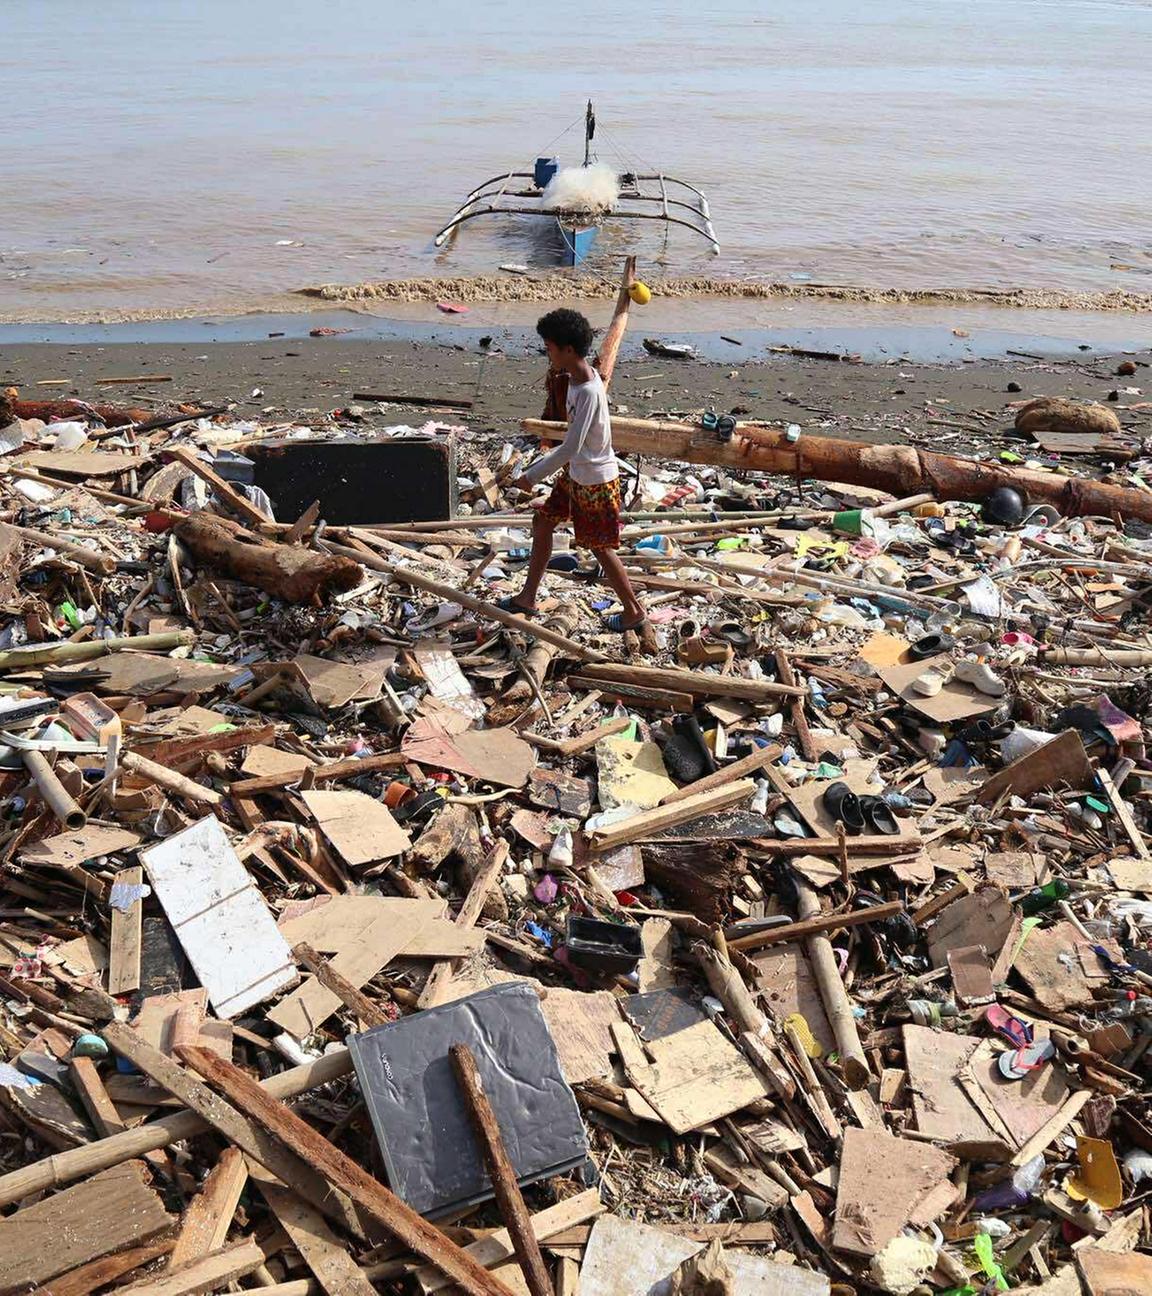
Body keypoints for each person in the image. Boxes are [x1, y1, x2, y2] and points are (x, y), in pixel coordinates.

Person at [500, 308, 646, 632]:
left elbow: (571, 447)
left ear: (568, 349)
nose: (547, 354)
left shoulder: (589, 391)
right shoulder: (574, 379)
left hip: (594, 480)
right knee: (543, 522)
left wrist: (531, 477)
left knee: (599, 547)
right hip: (577, 474)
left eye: (550, 348)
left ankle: (633, 610)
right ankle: (527, 597)